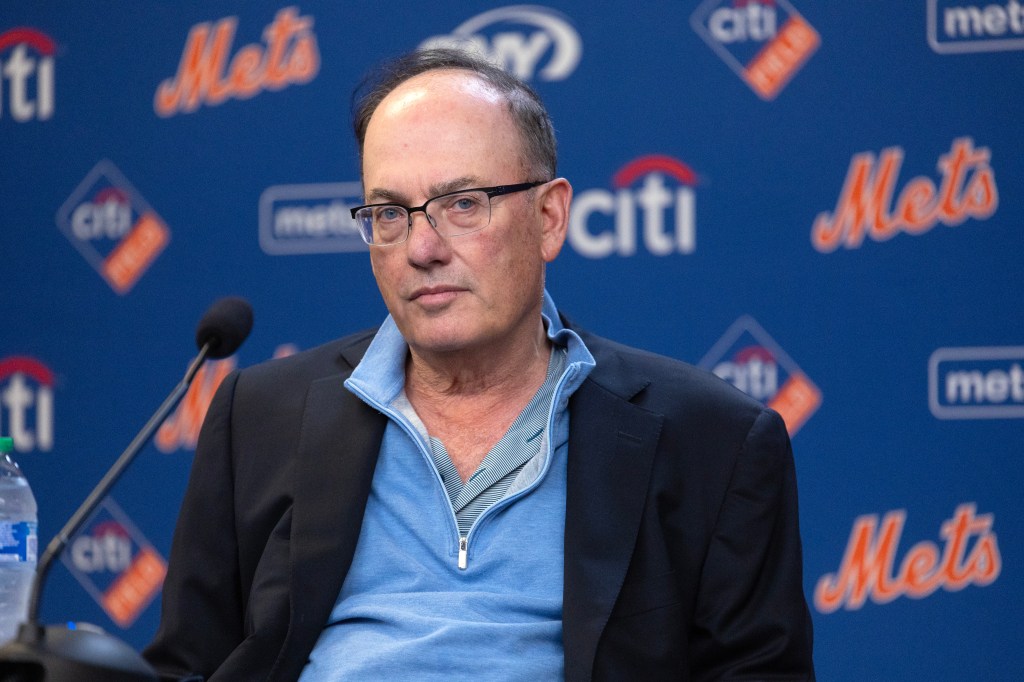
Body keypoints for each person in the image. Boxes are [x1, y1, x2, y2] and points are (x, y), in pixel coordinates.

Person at [144, 47, 815, 681]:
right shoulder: (259, 416)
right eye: (389, 213)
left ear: (550, 217)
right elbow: (186, 664)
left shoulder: (712, 441)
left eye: (462, 204)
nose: (422, 247)